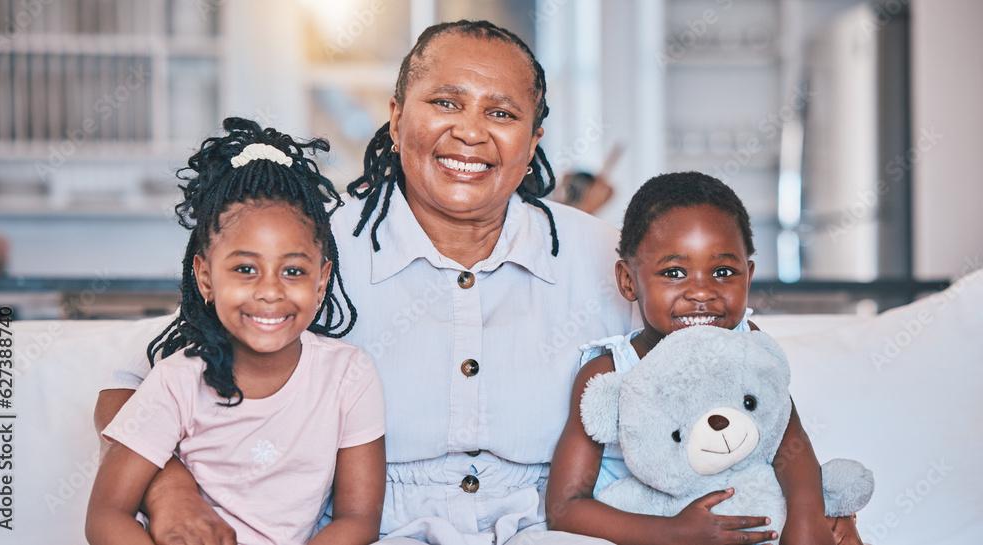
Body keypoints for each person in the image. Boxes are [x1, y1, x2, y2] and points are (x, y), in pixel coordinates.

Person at [94, 21, 859, 545]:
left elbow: (732, 372)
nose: (470, 131)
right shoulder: (308, 253)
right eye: (445, 103)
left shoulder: (606, 257)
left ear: (532, 142)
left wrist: (815, 507)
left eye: (501, 112)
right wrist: (173, 493)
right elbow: (130, 387)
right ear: (396, 121)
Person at [86, 118, 386, 545]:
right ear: (205, 278)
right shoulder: (177, 379)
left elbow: (357, 519)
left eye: (293, 270)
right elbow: (106, 516)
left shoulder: (349, 376)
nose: (269, 291)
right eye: (245, 269)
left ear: (321, 281)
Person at [546, 172, 864, 545]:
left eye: (724, 272)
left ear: (748, 278)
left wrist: (808, 516)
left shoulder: (749, 345)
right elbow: (565, 508)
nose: (701, 291)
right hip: (656, 528)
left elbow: (790, 444)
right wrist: (672, 532)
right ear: (628, 281)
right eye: (674, 272)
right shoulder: (611, 371)